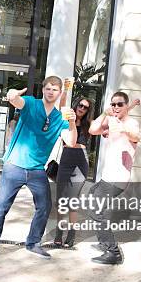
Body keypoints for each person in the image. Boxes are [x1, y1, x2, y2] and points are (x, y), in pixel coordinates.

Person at [0, 76, 77, 261]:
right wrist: (12, 95)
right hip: (14, 166)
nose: (51, 92)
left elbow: (71, 141)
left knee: (45, 206)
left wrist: (72, 121)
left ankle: (33, 243)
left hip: (37, 170)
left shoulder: (59, 118)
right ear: (43, 90)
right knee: (1, 206)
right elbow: (17, 100)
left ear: (59, 93)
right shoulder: (31, 103)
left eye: (55, 90)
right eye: (48, 88)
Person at [88, 92, 141, 265]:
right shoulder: (111, 120)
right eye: (113, 104)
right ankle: (105, 243)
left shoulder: (131, 123)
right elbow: (92, 130)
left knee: (96, 211)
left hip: (117, 178)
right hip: (107, 176)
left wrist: (122, 128)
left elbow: (136, 136)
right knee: (92, 196)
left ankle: (113, 252)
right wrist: (105, 114)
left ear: (126, 106)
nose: (116, 107)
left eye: (120, 104)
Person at [54, 96, 93, 248]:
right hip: (65, 161)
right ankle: (58, 233)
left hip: (80, 162)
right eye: (81, 105)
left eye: (85, 107)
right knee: (61, 200)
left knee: (72, 200)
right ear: (76, 105)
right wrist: (64, 91)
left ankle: (71, 234)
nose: (82, 108)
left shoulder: (87, 124)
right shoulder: (65, 118)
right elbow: (61, 106)